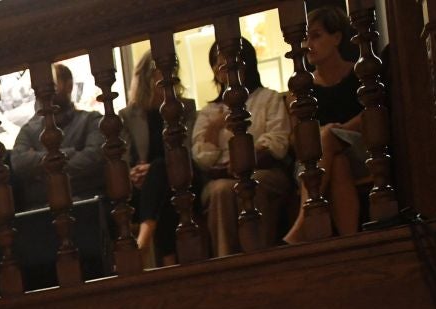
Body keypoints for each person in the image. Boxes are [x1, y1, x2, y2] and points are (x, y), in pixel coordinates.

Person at [192, 37, 291, 258]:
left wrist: (245, 161)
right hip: (220, 176)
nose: (221, 67)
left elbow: (278, 142)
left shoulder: (268, 98)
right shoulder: (209, 111)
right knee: (220, 191)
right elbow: (202, 156)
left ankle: (259, 256)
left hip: (263, 169)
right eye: (216, 63)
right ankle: (226, 261)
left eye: (226, 61)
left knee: (251, 184)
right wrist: (216, 127)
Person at [282, 5, 368, 243]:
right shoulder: (301, 87)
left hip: (358, 149)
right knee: (336, 161)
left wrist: (333, 133)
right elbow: (294, 135)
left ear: (337, 37)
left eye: (316, 36)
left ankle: (303, 222)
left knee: (328, 136)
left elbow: (367, 117)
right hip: (316, 158)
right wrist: (323, 138)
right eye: (305, 37)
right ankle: (351, 245)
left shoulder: (359, 73)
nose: (308, 44)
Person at [121, 51, 195, 267]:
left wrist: (152, 169)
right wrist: (132, 173)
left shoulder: (186, 107)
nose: (166, 78)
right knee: (160, 184)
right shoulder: (128, 115)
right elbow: (123, 158)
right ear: (147, 76)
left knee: (163, 171)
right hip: (143, 186)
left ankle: (142, 243)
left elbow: (187, 148)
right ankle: (170, 262)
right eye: (159, 73)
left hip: (182, 176)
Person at [12, 62, 107, 210]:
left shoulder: (92, 120)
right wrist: (70, 152)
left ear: (69, 85)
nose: (44, 92)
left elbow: (93, 157)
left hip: (85, 203)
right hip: (41, 209)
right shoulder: (29, 130)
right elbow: (19, 162)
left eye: (52, 85)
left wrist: (43, 170)